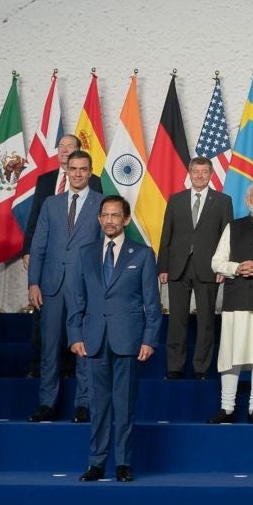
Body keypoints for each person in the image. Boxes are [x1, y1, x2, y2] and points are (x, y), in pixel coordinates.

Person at [71, 195, 161, 482]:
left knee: (124, 406)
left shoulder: (143, 254)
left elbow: (153, 303)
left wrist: (149, 339)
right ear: (99, 219)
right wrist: (75, 335)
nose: (109, 220)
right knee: (98, 406)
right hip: (94, 340)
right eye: (105, 215)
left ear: (126, 219)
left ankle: (123, 462)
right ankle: (96, 463)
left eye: (115, 215)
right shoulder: (86, 253)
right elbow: (77, 299)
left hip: (129, 341)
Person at [27, 150, 100, 422]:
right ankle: (47, 403)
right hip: (52, 287)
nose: (78, 173)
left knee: (84, 347)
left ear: (90, 172)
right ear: (66, 171)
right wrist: (33, 282)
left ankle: (83, 404)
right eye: (74, 169)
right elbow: (39, 244)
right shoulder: (51, 204)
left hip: (86, 289)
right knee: (49, 348)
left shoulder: (102, 204)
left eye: (83, 169)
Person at [206, 182, 253, 423]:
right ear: (247, 201)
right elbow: (216, 263)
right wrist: (237, 267)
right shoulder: (233, 227)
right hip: (235, 299)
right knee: (231, 355)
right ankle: (227, 408)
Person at [159, 156, 232, 379]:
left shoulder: (222, 201)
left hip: (208, 268)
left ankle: (201, 368)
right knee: (176, 320)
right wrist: (163, 266)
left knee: (206, 322)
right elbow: (166, 234)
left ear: (211, 175)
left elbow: (226, 237)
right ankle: (175, 367)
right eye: (196, 172)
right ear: (189, 174)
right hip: (178, 266)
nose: (199, 176)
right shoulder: (176, 199)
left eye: (204, 172)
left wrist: (224, 268)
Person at [25, 133, 83, 377]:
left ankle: (69, 367)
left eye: (70, 146)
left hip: (76, 267)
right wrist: (27, 249)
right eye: (61, 146)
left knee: (74, 318)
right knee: (43, 319)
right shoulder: (45, 180)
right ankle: (38, 366)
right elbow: (35, 217)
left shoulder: (96, 183)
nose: (64, 149)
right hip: (48, 262)